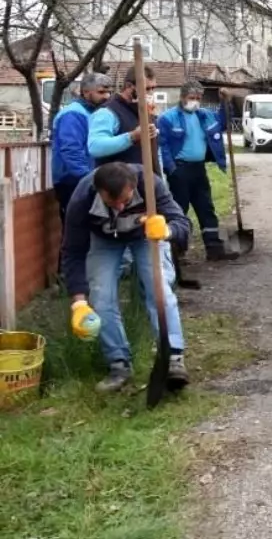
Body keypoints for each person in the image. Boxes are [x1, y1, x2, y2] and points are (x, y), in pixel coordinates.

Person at [61, 162, 192, 392]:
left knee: (158, 287)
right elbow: (73, 251)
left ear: (133, 186)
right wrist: (78, 302)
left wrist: (167, 231)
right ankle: (118, 364)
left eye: (125, 201)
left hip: (146, 235)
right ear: (98, 190)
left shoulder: (150, 185)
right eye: (112, 203)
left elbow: (183, 224)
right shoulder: (82, 198)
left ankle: (173, 357)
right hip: (104, 240)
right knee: (101, 298)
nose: (120, 208)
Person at [158, 80, 238, 262]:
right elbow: (163, 146)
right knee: (178, 211)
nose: (195, 101)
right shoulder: (168, 118)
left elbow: (223, 121)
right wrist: (171, 169)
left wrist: (226, 102)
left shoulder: (204, 116)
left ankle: (214, 248)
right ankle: (177, 252)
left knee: (206, 208)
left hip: (198, 169)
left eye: (198, 98)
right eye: (191, 98)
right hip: (179, 170)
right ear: (182, 97)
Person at [50, 73, 113, 224]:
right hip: (74, 181)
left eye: (108, 92)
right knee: (76, 229)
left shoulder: (94, 113)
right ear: (85, 92)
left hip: (88, 178)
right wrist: (89, 180)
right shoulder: (73, 114)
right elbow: (72, 151)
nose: (107, 96)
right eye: (101, 92)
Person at [88, 65, 160, 169]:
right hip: (116, 180)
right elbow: (95, 147)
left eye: (153, 88)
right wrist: (132, 137)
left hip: (144, 179)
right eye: (147, 89)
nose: (151, 93)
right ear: (129, 86)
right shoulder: (108, 112)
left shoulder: (145, 110)